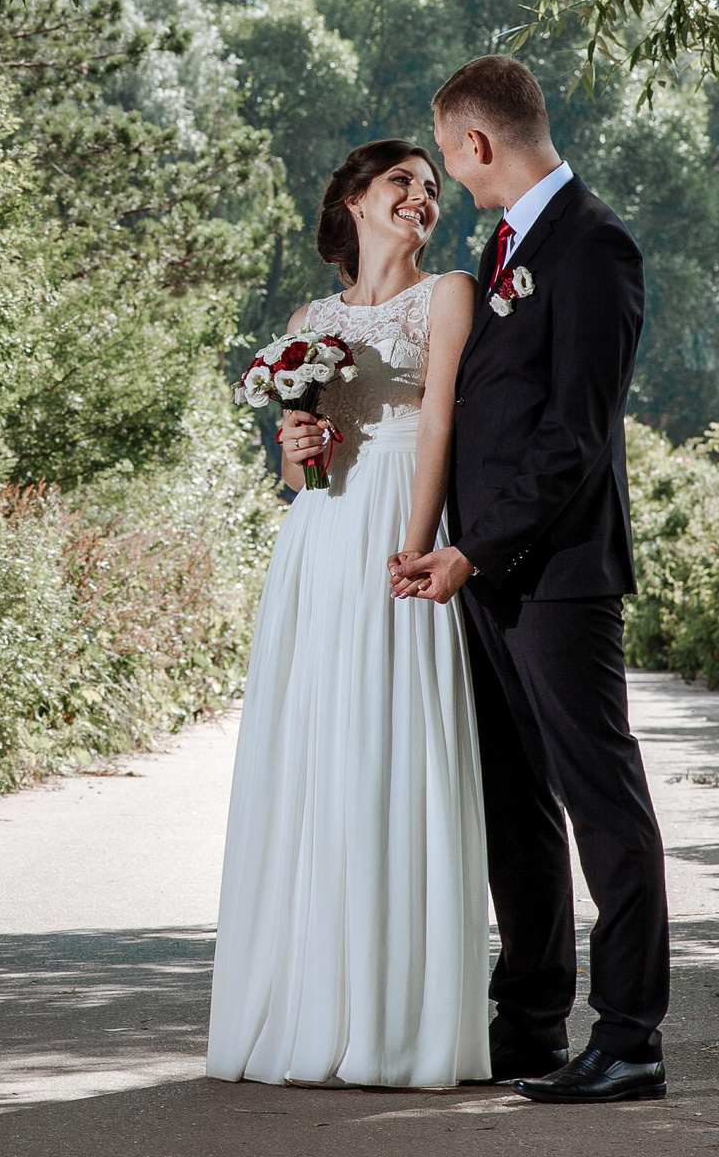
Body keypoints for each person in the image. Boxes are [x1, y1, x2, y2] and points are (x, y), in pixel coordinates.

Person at [391, 55, 672, 1105]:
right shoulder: (502, 245)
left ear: (476, 144)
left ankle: (632, 1035)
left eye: (452, 161)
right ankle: (533, 1019)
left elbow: (575, 435)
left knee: (602, 799)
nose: (454, 186)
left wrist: (474, 545)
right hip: (489, 573)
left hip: (554, 572)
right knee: (513, 801)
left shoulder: (595, 246)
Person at [206, 139, 489, 1088]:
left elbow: (441, 417)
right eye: (402, 181)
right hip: (320, 539)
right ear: (356, 202)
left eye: (432, 185)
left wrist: (413, 547)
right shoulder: (309, 320)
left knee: (392, 749)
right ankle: (308, 1004)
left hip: (399, 520)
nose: (422, 195)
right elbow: (297, 473)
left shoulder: (448, 292)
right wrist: (297, 440)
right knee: (316, 755)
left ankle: (396, 1020)